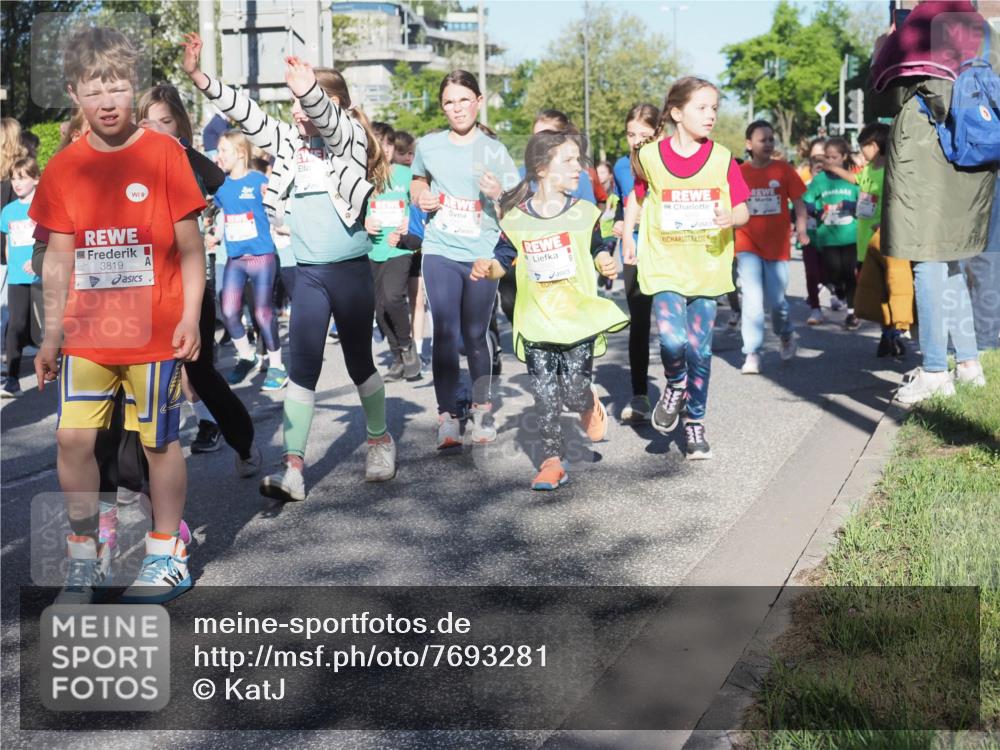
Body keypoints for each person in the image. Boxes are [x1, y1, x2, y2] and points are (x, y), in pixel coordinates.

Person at [31, 26, 207, 604]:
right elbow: (58, 260)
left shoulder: (164, 154)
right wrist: (50, 336)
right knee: (72, 440)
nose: (107, 102)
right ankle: (85, 559)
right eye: (93, 90)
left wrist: (191, 316)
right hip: (87, 336)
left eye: (117, 87)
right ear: (74, 94)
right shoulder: (63, 168)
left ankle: (166, 553)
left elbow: (191, 249)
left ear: (133, 86)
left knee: (158, 443)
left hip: (155, 335)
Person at [184, 34, 397, 496]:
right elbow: (248, 114)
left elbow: (331, 124)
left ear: (332, 103)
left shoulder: (349, 138)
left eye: (306, 102)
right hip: (309, 275)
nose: (297, 111)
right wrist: (201, 78)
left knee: (359, 362)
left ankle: (380, 439)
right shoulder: (288, 143)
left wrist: (309, 92)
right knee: (303, 368)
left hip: (350, 272)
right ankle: (293, 468)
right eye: (295, 102)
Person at [471, 130, 627, 490]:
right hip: (536, 318)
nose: (578, 167)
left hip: (576, 319)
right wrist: (487, 268)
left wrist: (604, 260)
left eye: (578, 160)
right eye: (568, 160)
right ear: (541, 168)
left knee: (572, 392)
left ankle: (586, 401)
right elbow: (503, 260)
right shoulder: (516, 219)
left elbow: (597, 246)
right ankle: (552, 462)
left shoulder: (585, 213)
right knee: (544, 395)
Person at [869, 0, 996, 403]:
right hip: (972, 154)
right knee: (951, 260)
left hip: (926, 152)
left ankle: (936, 370)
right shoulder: (981, 28)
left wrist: (883, 45)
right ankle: (969, 364)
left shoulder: (922, 22)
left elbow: (883, 97)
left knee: (926, 259)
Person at [623, 77, 750, 459]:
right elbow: (637, 196)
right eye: (702, 108)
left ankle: (695, 422)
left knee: (700, 350)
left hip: (707, 267)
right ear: (677, 113)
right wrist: (628, 235)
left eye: (714, 108)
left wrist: (731, 217)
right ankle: (676, 383)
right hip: (664, 264)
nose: (711, 115)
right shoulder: (650, 157)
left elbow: (743, 209)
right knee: (672, 341)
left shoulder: (723, 158)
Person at [136, 83, 260, 468]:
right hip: (143, 285)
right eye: (148, 122)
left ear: (180, 125)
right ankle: (139, 475)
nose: (156, 129)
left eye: (165, 121)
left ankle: (244, 444)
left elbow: (215, 177)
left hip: (188, 284)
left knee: (200, 371)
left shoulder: (186, 159)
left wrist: (178, 147)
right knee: (141, 378)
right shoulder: (131, 162)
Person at [410, 70, 520, 450]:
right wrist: (420, 196)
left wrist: (499, 192)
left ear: (478, 102)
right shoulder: (429, 145)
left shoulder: (495, 151)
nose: (457, 108)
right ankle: (447, 416)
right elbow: (417, 179)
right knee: (444, 330)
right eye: (449, 102)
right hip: (440, 248)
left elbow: (516, 204)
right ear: (442, 107)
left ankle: (482, 410)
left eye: (463, 100)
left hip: (481, 252)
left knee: (475, 333)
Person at [213, 129, 285, 390]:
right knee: (229, 311)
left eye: (223, 150)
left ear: (240, 153)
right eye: (218, 151)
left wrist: (273, 202)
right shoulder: (220, 185)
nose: (219, 156)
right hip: (236, 259)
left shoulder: (258, 181)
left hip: (261, 257)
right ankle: (246, 355)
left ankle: (277, 367)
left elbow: (278, 211)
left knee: (263, 313)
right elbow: (215, 210)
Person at [735, 120, 808, 374]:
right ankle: (752, 352)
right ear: (749, 144)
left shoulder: (783, 169)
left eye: (770, 139)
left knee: (777, 303)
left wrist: (802, 229)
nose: (767, 144)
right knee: (752, 301)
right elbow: (730, 205)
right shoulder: (739, 173)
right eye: (762, 140)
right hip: (747, 244)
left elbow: (799, 203)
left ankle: (785, 333)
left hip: (777, 247)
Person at [612, 103, 659, 423]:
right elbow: (622, 202)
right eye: (631, 134)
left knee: (672, 325)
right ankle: (640, 394)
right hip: (634, 249)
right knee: (640, 321)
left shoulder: (668, 163)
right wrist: (619, 221)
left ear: (659, 133)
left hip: (668, 249)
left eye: (644, 134)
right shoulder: (620, 166)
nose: (637, 141)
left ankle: (680, 389)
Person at [367, 121, 420, 382]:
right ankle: (397, 357)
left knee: (393, 298)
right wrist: (365, 222)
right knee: (378, 310)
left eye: (389, 143)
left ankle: (408, 346)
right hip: (372, 249)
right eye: (380, 143)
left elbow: (420, 205)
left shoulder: (405, 174)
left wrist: (411, 221)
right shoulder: (364, 176)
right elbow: (351, 209)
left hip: (399, 248)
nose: (385, 148)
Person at [802, 137, 861, 330]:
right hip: (828, 237)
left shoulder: (852, 178)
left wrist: (851, 205)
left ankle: (852, 313)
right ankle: (838, 290)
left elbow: (864, 200)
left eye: (834, 157)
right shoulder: (820, 180)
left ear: (844, 157)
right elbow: (807, 200)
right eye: (827, 157)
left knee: (849, 274)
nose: (830, 161)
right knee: (833, 273)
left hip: (850, 235)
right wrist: (817, 211)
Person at [1, 156, 43, 397]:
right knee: (16, 324)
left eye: (22, 178)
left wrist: (38, 263)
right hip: (17, 277)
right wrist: (12, 266)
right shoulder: (8, 211)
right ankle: (12, 379)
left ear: (36, 179)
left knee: (49, 326)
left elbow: (51, 239)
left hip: (43, 276)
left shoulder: (44, 207)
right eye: (14, 178)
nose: (17, 183)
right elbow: (8, 244)